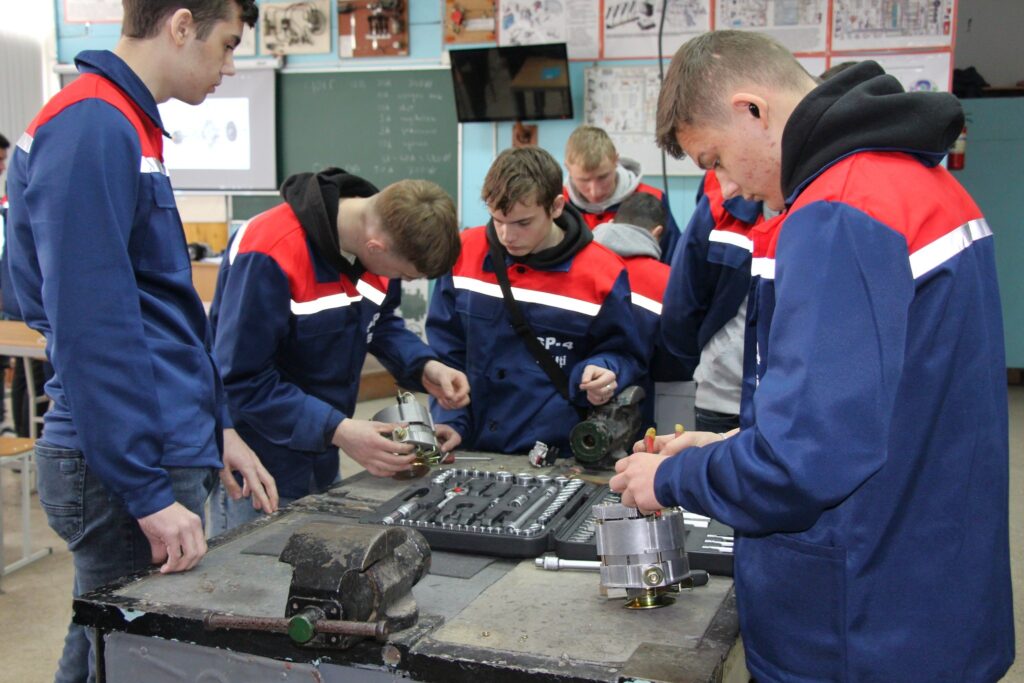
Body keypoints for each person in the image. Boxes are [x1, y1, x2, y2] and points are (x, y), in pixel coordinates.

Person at [611, 30, 1013, 682]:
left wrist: (671, 480)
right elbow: (888, 400)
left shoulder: (839, 210)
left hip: (859, 626)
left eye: (716, 157)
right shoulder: (915, 179)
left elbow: (804, 463)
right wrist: (722, 445)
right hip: (934, 587)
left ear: (753, 110)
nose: (729, 185)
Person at [4, 2, 279, 681]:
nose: (230, 65)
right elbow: (90, 326)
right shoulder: (93, 124)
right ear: (181, 25)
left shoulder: (122, 122)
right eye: (226, 44)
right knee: (128, 656)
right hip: (122, 461)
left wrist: (214, 424)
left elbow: (159, 311)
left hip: (152, 436)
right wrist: (148, 492)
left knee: (110, 648)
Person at [208, 169, 469, 534]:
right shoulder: (268, 251)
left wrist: (424, 365)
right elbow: (241, 380)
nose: (402, 283)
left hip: (323, 452)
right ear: (375, 248)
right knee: (251, 580)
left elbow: (380, 321)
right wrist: (341, 430)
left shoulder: (376, 246)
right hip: (259, 463)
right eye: (406, 276)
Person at [428, 146, 644, 455]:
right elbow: (444, 353)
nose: (506, 235)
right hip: (468, 440)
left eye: (523, 223)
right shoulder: (462, 254)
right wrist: (449, 420)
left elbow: (626, 354)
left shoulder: (602, 273)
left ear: (556, 206)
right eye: (497, 220)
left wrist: (605, 369)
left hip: (556, 450)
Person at [657, 171, 763, 433]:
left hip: (786, 401)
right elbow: (680, 308)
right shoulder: (718, 211)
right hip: (723, 396)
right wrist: (710, 359)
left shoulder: (813, 209)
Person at [591, 191, 670, 429]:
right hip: (635, 404)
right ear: (657, 233)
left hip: (575, 392)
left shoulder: (580, 265)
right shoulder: (668, 281)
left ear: (613, 222)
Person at [563, 124, 682, 263]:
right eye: (583, 180)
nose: (595, 191)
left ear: (616, 160)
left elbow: (674, 262)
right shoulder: (557, 205)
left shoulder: (652, 199)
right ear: (568, 168)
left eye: (602, 177)